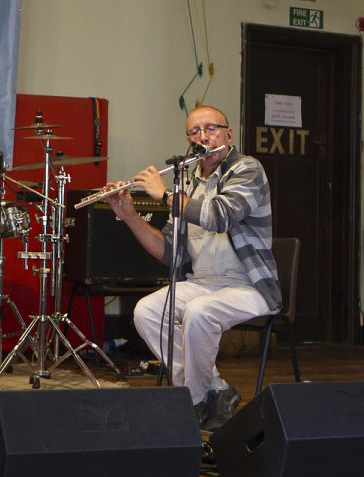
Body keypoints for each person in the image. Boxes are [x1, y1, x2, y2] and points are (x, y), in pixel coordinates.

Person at [104, 105, 280, 431]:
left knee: (199, 311)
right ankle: (212, 391)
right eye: (195, 132)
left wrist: (165, 194)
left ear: (228, 134)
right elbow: (169, 253)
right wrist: (129, 216)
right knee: (147, 311)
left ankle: (193, 403)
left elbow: (221, 215)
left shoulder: (247, 169)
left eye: (211, 129)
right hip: (203, 282)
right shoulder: (189, 184)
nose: (203, 137)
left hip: (249, 286)